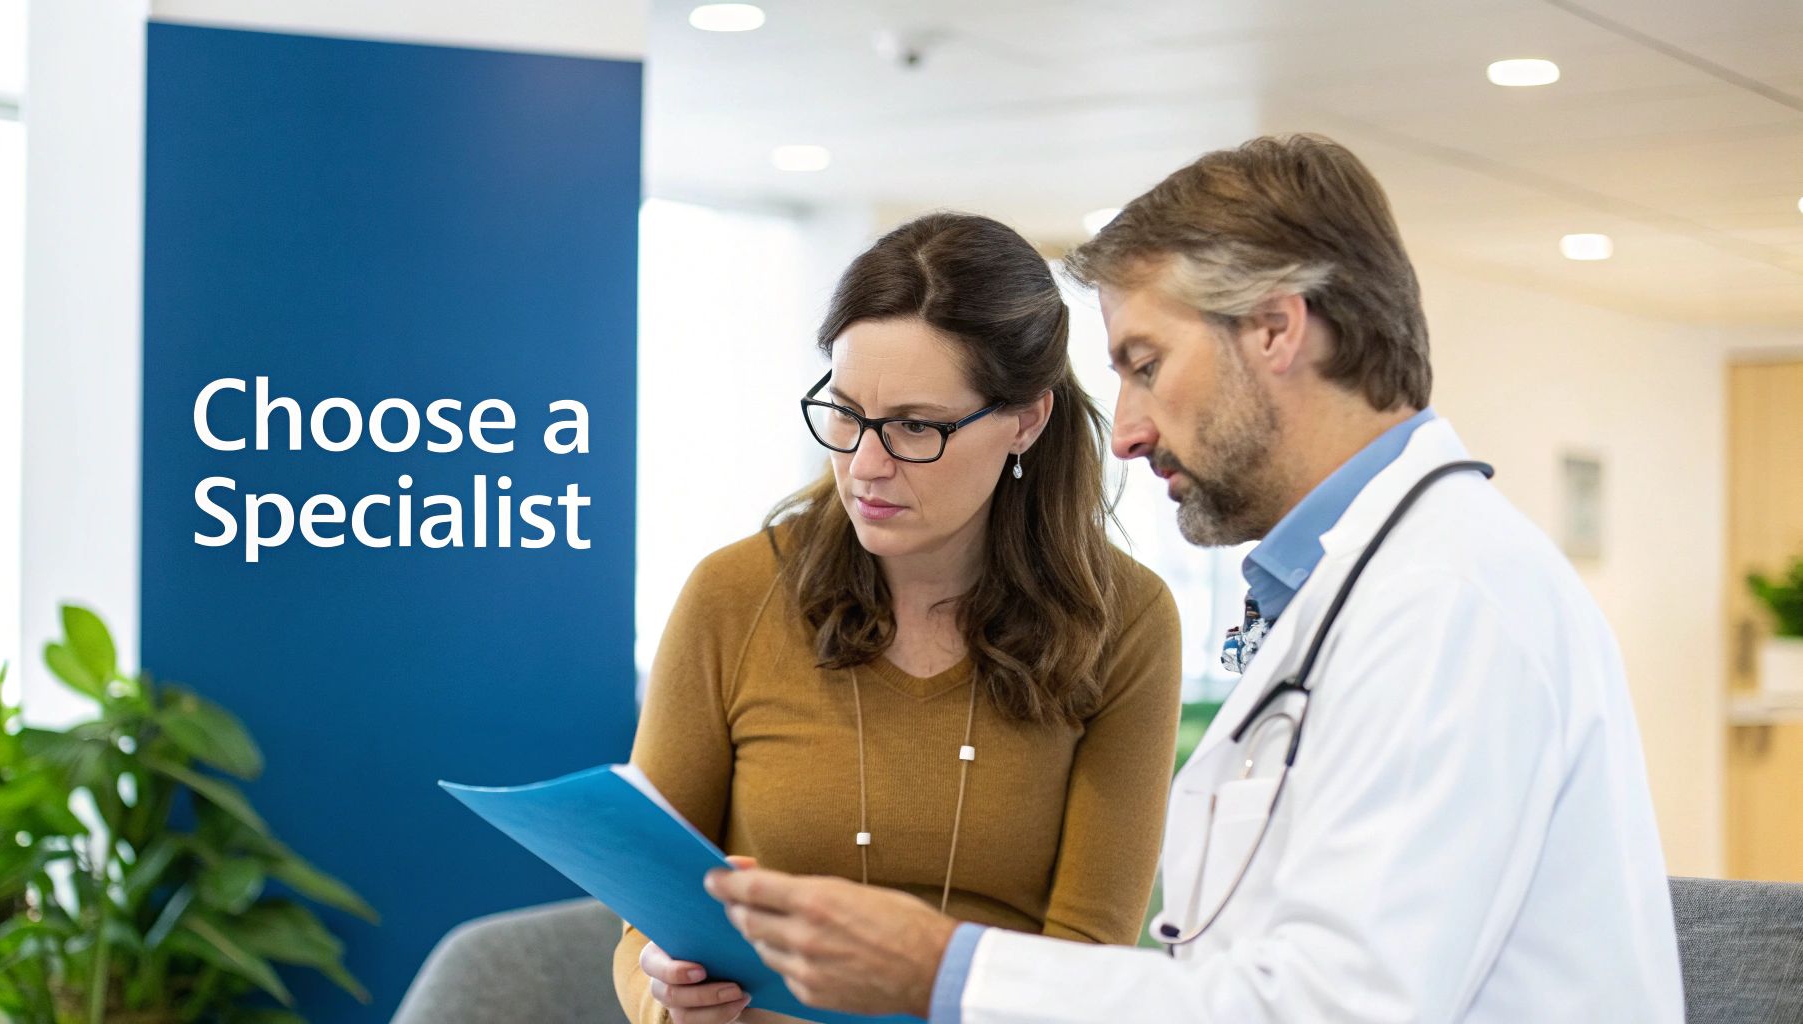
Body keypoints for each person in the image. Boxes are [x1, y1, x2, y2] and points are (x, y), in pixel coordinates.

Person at [706, 135, 1684, 1022]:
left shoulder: (1446, 603)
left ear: (1273, 330)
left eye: (1144, 363)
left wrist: (942, 969)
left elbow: (1331, 1008)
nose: (1124, 429)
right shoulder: (1351, 591)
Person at [613, 212, 1185, 1024]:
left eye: (916, 425)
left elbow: (1086, 965)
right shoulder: (733, 595)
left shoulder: (1123, 621)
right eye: (846, 413)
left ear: (1025, 419)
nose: (864, 465)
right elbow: (644, 918)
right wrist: (666, 993)